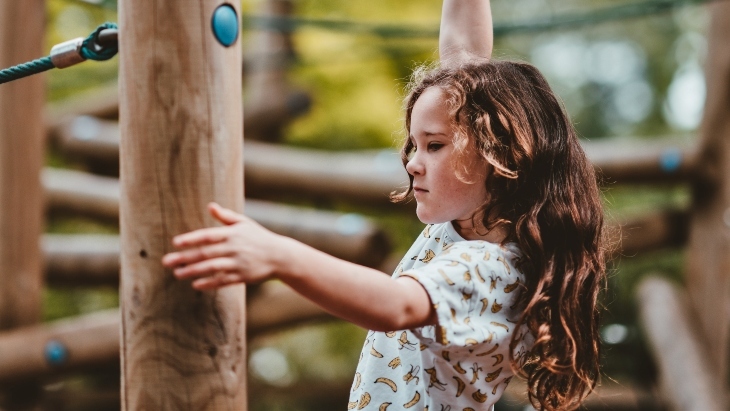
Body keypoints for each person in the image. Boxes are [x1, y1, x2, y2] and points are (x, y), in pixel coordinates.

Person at [162, 0, 607, 409]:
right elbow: (464, 52)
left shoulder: (493, 268)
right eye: (413, 145)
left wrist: (278, 255)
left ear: (500, 156)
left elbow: (395, 305)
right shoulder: (463, 222)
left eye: (434, 146)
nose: (413, 163)